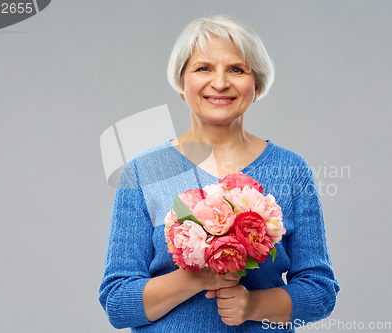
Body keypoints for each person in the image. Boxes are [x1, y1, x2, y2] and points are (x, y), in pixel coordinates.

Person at [99, 15, 340, 332]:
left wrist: (253, 306)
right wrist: (199, 277)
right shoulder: (144, 171)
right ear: (182, 83)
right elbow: (118, 304)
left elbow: (320, 291)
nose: (221, 82)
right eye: (203, 68)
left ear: (256, 86)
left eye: (237, 70)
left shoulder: (292, 170)